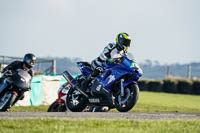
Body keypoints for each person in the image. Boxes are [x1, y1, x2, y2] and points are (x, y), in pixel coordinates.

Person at [81, 32, 132, 106]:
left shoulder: (124, 53)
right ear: (119, 40)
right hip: (100, 63)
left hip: (110, 67)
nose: (126, 44)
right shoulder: (111, 46)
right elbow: (103, 56)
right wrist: (108, 60)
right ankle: (84, 85)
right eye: (124, 42)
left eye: (127, 42)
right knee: (97, 71)